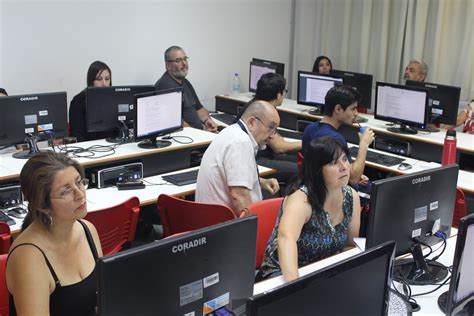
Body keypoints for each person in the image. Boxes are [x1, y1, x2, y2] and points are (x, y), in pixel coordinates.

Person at [6, 151, 102, 316]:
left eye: (79, 183)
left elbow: (101, 300)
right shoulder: (28, 257)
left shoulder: (88, 230)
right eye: (65, 191)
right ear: (43, 205)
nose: (80, 195)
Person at [259, 137, 361, 281]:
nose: (344, 167)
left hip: (321, 270)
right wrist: (297, 287)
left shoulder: (352, 197)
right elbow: (286, 239)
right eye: (333, 162)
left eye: (345, 159)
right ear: (318, 170)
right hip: (285, 273)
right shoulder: (302, 200)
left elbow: (349, 246)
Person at [196, 100, 280, 216]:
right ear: (251, 122)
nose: (272, 135)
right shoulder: (240, 142)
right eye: (271, 128)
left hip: (212, 220)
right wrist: (256, 228)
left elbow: (230, 177)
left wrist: (260, 182)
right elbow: (239, 197)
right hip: (225, 226)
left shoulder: (232, 132)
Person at [302, 85, 374, 186]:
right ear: (338, 109)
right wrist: (364, 145)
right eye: (353, 109)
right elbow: (353, 179)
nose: (356, 113)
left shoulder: (310, 128)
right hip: (335, 194)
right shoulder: (335, 139)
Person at [236, 73, 301, 184]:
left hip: (263, 155)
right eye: (285, 91)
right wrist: (308, 143)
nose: (285, 95)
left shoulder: (256, 105)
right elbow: (279, 147)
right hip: (256, 159)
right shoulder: (264, 112)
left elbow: (276, 140)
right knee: (300, 169)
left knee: (304, 162)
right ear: (278, 94)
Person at [155, 46, 217, 132]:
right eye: (178, 60)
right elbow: (175, 122)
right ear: (168, 66)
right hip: (189, 138)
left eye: (185, 59)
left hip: (200, 133)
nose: (184, 63)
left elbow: (199, 108)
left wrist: (207, 120)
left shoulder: (185, 82)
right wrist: (202, 133)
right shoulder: (165, 85)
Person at [69, 60, 114, 142]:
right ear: (91, 81)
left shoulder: (114, 99)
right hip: (88, 148)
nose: (104, 83)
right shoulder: (78, 102)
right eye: (99, 79)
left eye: (107, 79)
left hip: (112, 145)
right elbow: (77, 134)